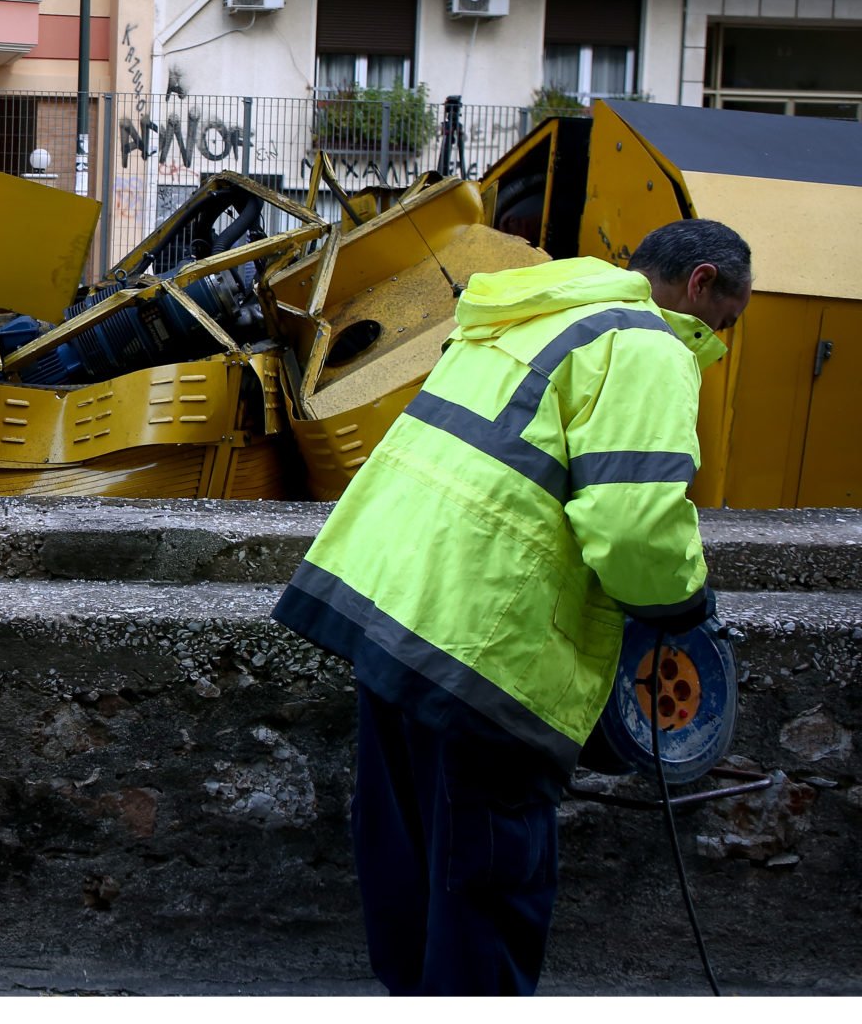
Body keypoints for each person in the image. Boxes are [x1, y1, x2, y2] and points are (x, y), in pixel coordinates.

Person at [272, 217, 753, 996]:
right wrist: (683, 604)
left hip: (391, 610)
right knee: (489, 885)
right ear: (700, 284)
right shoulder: (648, 345)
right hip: (480, 645)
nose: (716, 343)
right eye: (722, 325)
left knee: (410, 872)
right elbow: (634, 524)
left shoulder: (544, 310)